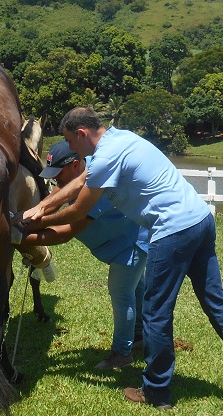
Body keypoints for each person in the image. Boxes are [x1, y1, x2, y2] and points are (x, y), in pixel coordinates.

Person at [13, 106, 223, 410]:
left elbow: (76, 212)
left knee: (156, 313)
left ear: (82, 134)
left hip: (173, 230)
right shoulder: (119, 140)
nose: (72, 149)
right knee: (215, 301)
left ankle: (156, 391)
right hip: (200, 220)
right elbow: (76, 182)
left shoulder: (106, 157)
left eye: (71, 142)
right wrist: (41, 208)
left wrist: (28, 223)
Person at [12, 140, 148, 369]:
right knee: (136, 287)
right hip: (118, 239)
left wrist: (19, 236)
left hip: (131, 242)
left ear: (75, 165)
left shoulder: (100, 184)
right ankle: (140, 334)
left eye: (59, 173)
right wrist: (33, 213)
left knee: (122, 293)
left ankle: (122, 354)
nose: (56, 180)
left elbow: (66, 231)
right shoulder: (81, 171)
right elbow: (60, 193)